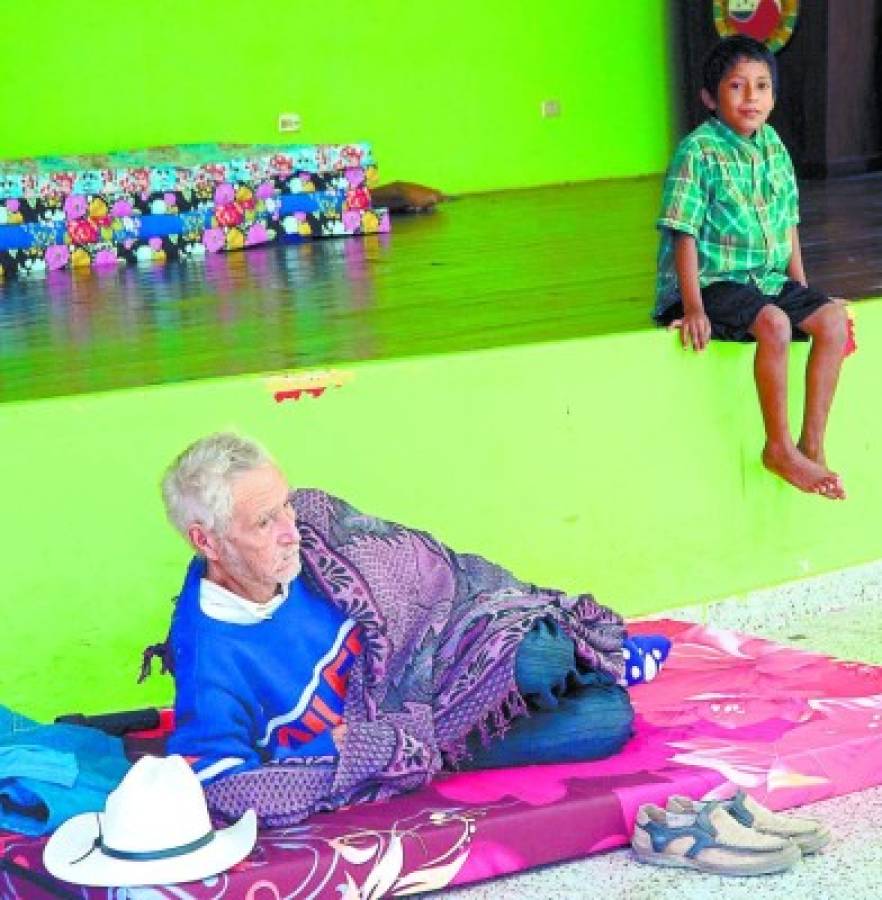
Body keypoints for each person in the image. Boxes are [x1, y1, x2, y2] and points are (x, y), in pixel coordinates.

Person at [147, 432, 634, 825]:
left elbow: (421, 566)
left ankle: (578, 662)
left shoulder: (314, 523)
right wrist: (362, 749)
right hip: (426, 739)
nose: (291, 531)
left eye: (285, 506)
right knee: (607, 720)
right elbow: (221, 781)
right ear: (205, 541)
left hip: (448, 641)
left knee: (541, 656)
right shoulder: (208, 653)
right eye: (263, 522)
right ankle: (595, 669)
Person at [653, 35, 850, 499]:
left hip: (766, 278)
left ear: (774, 97)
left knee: (833, 321)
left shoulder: (774, 147)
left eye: (762, 86)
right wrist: (694, 306)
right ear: (709, 98)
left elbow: (789, 225)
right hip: (712, 280)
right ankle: (778, 447)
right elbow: (683, 232)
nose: (751, 97)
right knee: (774, 323)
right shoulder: (697, 151)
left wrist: (805, 293)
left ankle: (812, 446)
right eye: (736, 86)